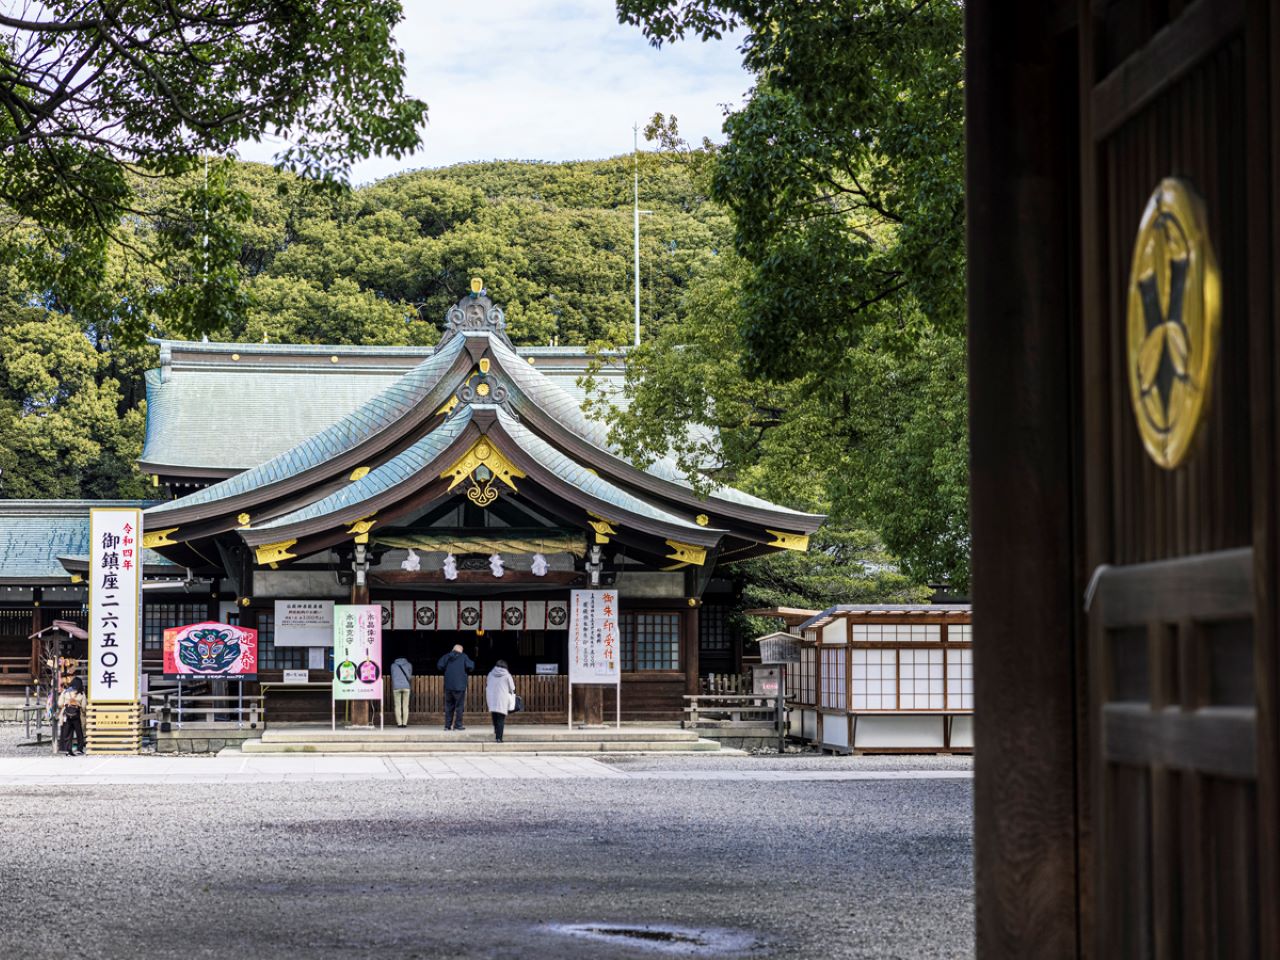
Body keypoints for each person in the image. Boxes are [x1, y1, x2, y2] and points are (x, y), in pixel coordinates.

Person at [436, 644, 474, 731]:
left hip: (449, 685)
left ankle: (447, 726)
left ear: (453, 649)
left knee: (449, 706)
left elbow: (440, 666)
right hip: (460, 686)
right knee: (459, 706)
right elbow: (471, 666)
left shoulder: (446, 656)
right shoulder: (464, 657)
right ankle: (457, 725)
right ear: (461, 650)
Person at [486, 660, 516, 743]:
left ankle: (496, 730)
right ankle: (499, 738)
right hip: (502, 699)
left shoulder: (490, 674)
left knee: (494, 716)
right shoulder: (507, 676)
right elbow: (512, 688)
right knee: (500, 719)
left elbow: (487, 683)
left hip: (492, 698)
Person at [57, 677, 86, 756]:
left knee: (68, 732)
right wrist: (83, 711)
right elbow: (84, 706)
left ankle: (68, 750)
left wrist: (66, 704)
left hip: (67, 714)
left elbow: (59, 703)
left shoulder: (65, 692)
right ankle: (79, 749)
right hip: (77, 715)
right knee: (79, 732)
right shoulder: (81, 693)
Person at [390, 656, 413, 728]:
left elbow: (392, 675)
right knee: (405, 706)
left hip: (396, 687)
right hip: (406, 686)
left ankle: (399, 724)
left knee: (397, 706)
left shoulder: (393, 665)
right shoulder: (409, 664)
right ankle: (404, 723)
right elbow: (409, 677)